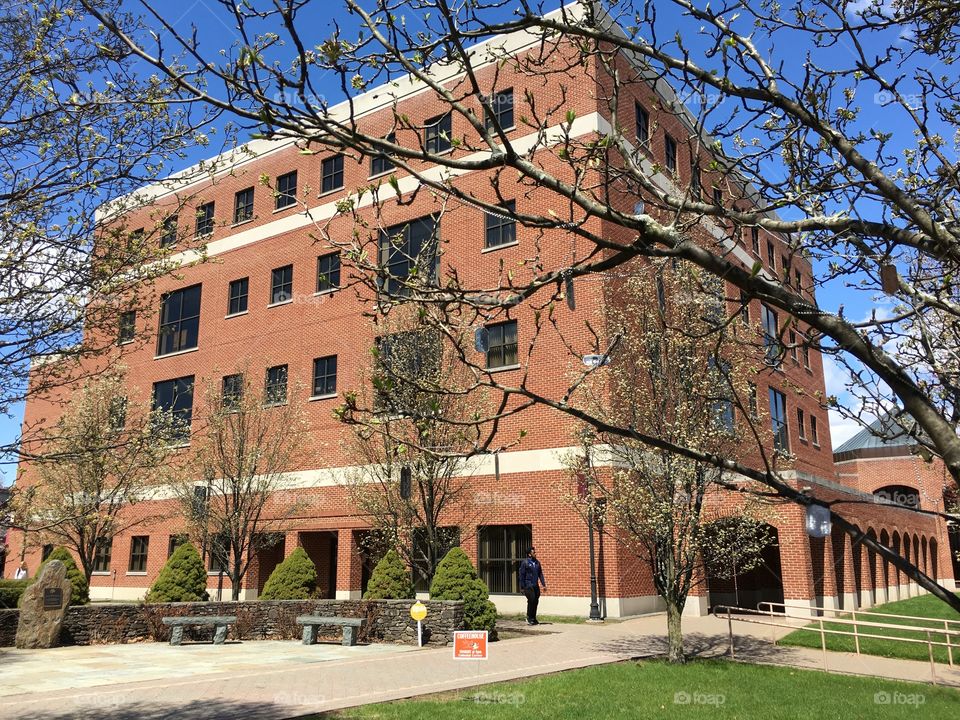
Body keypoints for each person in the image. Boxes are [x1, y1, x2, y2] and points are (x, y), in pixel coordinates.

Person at [518, 546, 546, 625]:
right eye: (534, 553)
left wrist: (543, 584)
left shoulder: (537, 563)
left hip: (535, 585)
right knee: (531, 600)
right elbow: (521, 575)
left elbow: (540, 574)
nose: (535, 554)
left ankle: (533, 618)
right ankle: (529, 617)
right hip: (528, 585)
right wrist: (522, 587)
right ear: (529, 554)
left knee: (536, 601)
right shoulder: (525, 563)